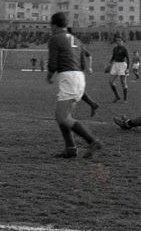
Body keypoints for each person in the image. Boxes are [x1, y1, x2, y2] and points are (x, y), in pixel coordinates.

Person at [47, 13, 102, 159]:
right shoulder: (76, 40)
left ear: (54, 25)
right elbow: (83, 63)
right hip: (79, 76)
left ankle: (92, 141)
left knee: (62, 116)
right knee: (63, 116)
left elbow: (53, 64)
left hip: (69, 77)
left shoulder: (55, 38)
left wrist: (49, 76)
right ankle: (70, 148)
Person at [107, 35, 129, 103]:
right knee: (111, 82)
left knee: (123, 82)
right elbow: (113, 57)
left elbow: (128, 59)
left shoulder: (124, 49)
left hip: (122, 65)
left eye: (119, 40)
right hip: (115, 65)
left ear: (122, 41)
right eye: (117, 40)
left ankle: (125, 99)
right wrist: (109, 63)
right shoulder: (115, 48)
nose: (118, 42)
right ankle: (117, 96)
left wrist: (127, 68)